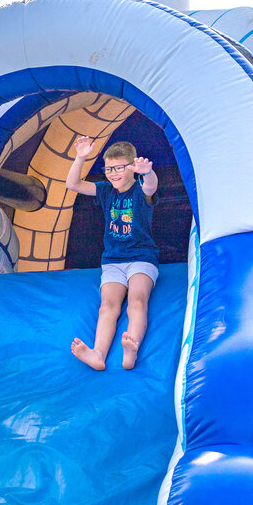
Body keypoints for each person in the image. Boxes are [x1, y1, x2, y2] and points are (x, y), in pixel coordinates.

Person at [64, 136, 159, 371]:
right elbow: (73, 184)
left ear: (131, 167)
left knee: (136, 301)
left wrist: (147, 172)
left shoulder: (139, 189)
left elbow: (151, 187)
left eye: (119, 168)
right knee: (108, 306)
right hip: (113, 261)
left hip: (141, 258)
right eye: (108, 168)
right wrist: (81, 156)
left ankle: (131, 348)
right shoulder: (106, 191)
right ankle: (98, 354)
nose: (113, 173)